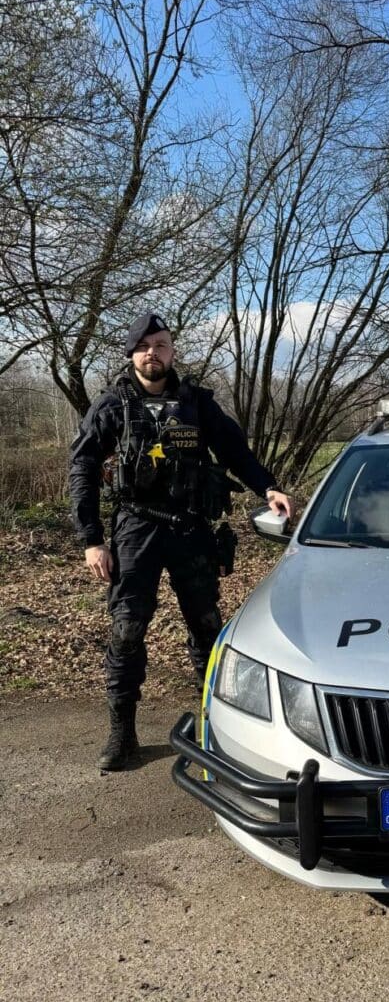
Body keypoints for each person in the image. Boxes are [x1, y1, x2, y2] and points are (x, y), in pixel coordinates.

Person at [69, 313, 294, 770]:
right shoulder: (113, 404)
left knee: (207, 628)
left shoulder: (196, 403)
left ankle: (217, 728)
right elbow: (83, 470)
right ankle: (122, 734)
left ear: (173, 351)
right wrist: (92, 539)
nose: (154, 352)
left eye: (162, 344)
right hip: (136, 529)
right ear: (133, 353)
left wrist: (267, 487)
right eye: (145, 345)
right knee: (127, 628)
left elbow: (235, 450)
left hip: (191, 528)